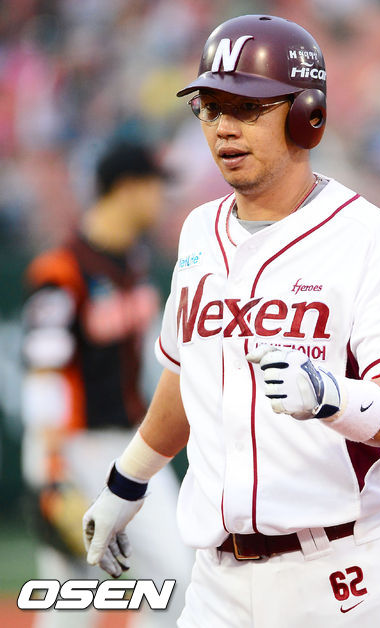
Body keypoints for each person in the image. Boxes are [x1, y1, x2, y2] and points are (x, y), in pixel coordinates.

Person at [83, 15, 380, 627]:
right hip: (217, 586)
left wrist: (333, 396)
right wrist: (128, 481)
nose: (224, 127)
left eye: (247, 108)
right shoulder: (198, 232)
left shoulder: (369, 239)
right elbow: (189, 374)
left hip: (348, 576)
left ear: (307, 115)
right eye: (210, 107)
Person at [21, 141, 193, 628]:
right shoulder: (61, 270)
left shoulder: (134, 263)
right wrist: (50, 467)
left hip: (130, 445)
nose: (161, 199)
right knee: (72, 601)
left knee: (178, 578)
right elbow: (43, 374)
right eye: (155, 187)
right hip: (74, 446)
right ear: (128, 188)